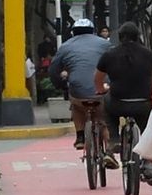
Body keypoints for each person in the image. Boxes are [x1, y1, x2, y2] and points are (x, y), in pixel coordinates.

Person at [94, 21, 152, 186]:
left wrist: (101, 90)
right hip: (143, 104)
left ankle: (114, 142)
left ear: (120, 37)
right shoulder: (148, 54)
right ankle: (148, 164)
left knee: (107, 109)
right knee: (148, 129)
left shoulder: (109, 55)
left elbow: (98, 80)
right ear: (137, 37)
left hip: (118, 102)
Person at [48, 18, 113, 154]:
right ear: (93, 31)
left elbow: (53, 70)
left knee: (76, 107)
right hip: (102, 90)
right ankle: (109, 151)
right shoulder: (105, 44)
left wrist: (61, 86)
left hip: (78, 92)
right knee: (104, 119)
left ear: (73, 32)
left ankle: (80, 137)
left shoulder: (65, 46)